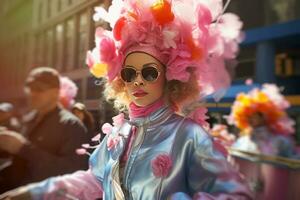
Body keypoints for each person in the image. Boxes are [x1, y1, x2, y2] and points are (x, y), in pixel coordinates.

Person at [0, 0, 253, 199]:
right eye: (129, 73)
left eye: (150, 72)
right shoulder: (117, 134)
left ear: (171, 77)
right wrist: (35, 193)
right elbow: (93, 181)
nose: (137, 81)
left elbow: (236, 194)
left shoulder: (189, 136)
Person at [0, 67, 89, 192]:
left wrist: (23, 148)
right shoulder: (29, 119)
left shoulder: (71, 125)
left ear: (56, 92)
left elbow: (72, 173)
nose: (32, 93)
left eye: (39, 89)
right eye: (30, 88)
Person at [228, 84, 297, 158]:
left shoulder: (280, 141)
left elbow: (293, 163)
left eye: (253, 116)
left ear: (264, 116)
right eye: (247, 116)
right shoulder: (242, 142)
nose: (249, 119)